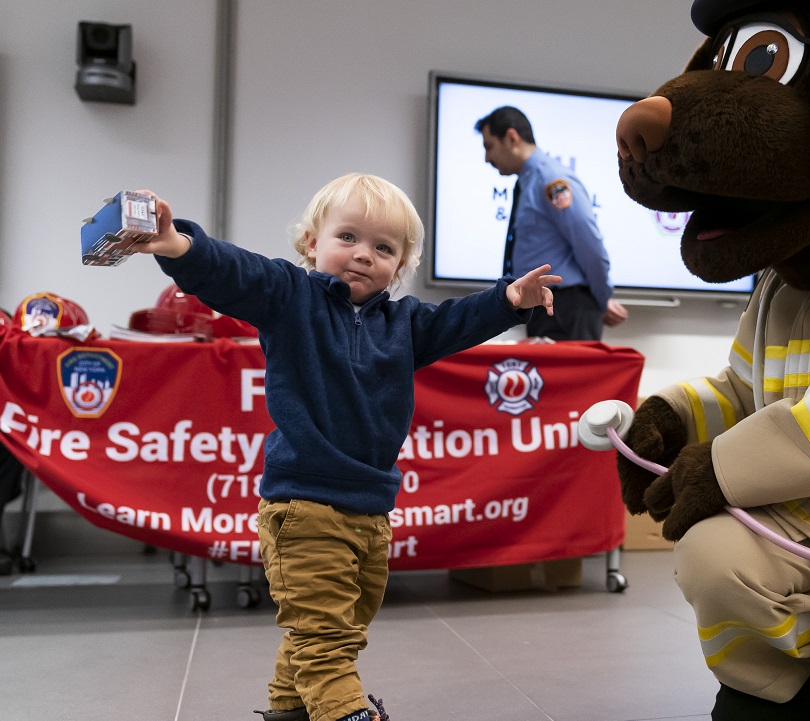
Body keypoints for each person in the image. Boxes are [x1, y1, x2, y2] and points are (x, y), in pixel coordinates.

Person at [132, 173, 560, 721]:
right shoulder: (289, 296)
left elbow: (458, 320)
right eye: (348, 238)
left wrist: (508, 301)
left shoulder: (405, 324)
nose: (363, 255)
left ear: (399, 267)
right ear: (313, 243)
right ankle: (346, 714)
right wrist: (177, 246)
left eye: (383, 248)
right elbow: (231, 271)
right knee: (326, 640)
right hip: (304, 505)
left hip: (371, 508)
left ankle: (289, 710)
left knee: (337, 627)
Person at [476, 105, 628, 340]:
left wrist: (602, 297)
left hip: (566, 311)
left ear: (511, 138)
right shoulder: (528, 181)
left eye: (489, 146)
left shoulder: (551, 180)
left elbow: (588, 243)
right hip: (546, 309)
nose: (487, 158)